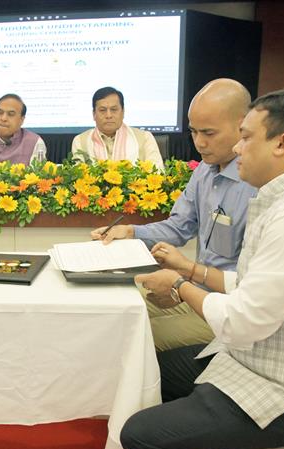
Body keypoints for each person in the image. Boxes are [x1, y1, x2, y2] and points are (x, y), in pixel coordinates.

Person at [121, 89, 284, 449]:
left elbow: (241, 323)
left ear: (282, 144)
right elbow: (250, 286)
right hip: (255, 362)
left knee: (142, 436)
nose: (237, 147)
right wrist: (188, 271)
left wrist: (181, 285)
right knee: (150, 371)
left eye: (247, 137)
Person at [91, 79, 256, 351]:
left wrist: (183, 278)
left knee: (133, 337)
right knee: (112, 315)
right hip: (194, 291)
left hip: (226, 307)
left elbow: (249, 286)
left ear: (243, 125)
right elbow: (179, 226)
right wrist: (131, 231)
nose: (199, 143)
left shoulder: (256, 181)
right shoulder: (205, 170)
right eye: (193, 132)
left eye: (209, 133)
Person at [72, 87, 163, 169]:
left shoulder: (144, 138)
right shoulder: (80, 141)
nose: (108, 115)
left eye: (114, 110)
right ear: (94, 114)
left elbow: (158, 173)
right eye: (102, 110)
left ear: (123, 112)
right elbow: (78, 177)